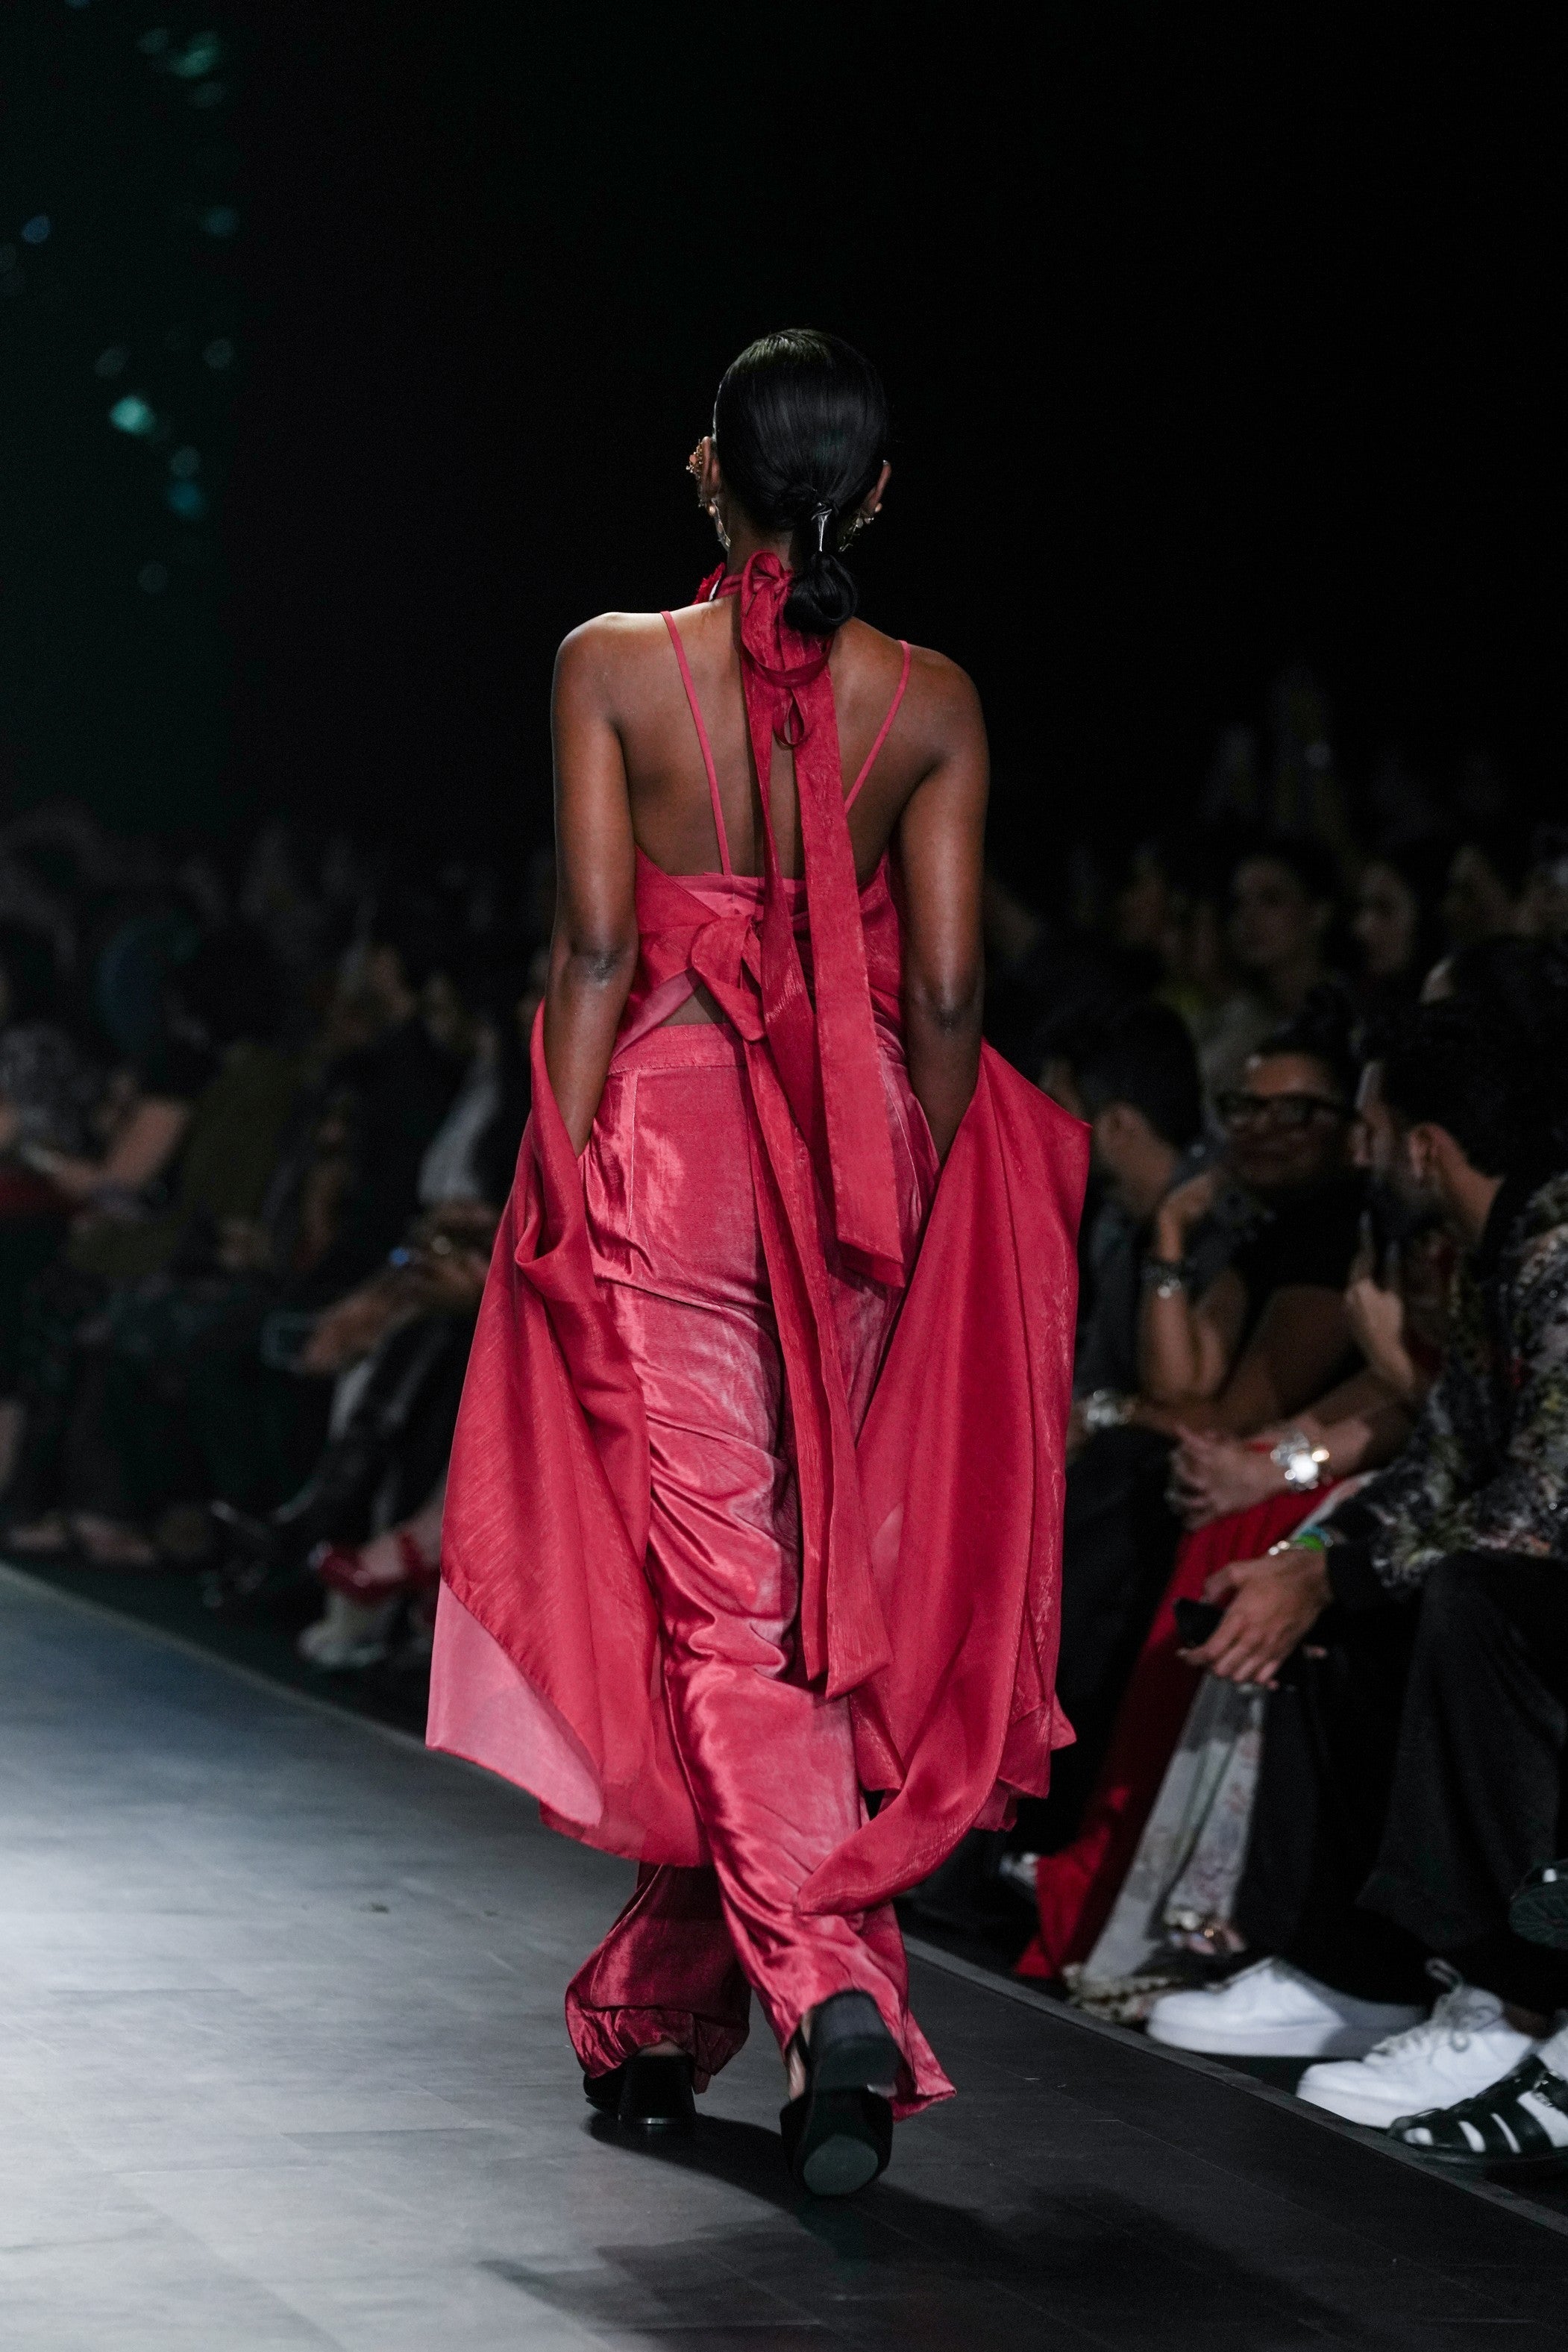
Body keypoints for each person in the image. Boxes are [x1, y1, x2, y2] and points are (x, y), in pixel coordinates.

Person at [427, 330, 1085, 2195]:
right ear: (875, 494)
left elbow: (585, 948)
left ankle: (830, 2003)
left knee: (735, 1611)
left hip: (673, 1147)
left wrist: (547, 1175)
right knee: (810, 1611)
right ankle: (651, 2007)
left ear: (700, 474)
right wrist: (945, 1205)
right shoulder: (934, 695)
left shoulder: (609, 668)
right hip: (865, 1154)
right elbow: (947, 987)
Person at [1146, 998, 1568, 2171]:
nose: (1365, 1151)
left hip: (1542, 1589)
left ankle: (1512, 1990)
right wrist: (1315, 1568)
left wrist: (1342, 1578)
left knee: (1469, 1602)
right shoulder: (1502, 1253)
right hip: (1523, 1571)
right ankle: (1353, 1966)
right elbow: (1440, 1461)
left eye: (1372, 1127)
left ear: (1422, 1143)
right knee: (1343, 1588)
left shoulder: (1559, 1253)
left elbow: (1540, 1507)